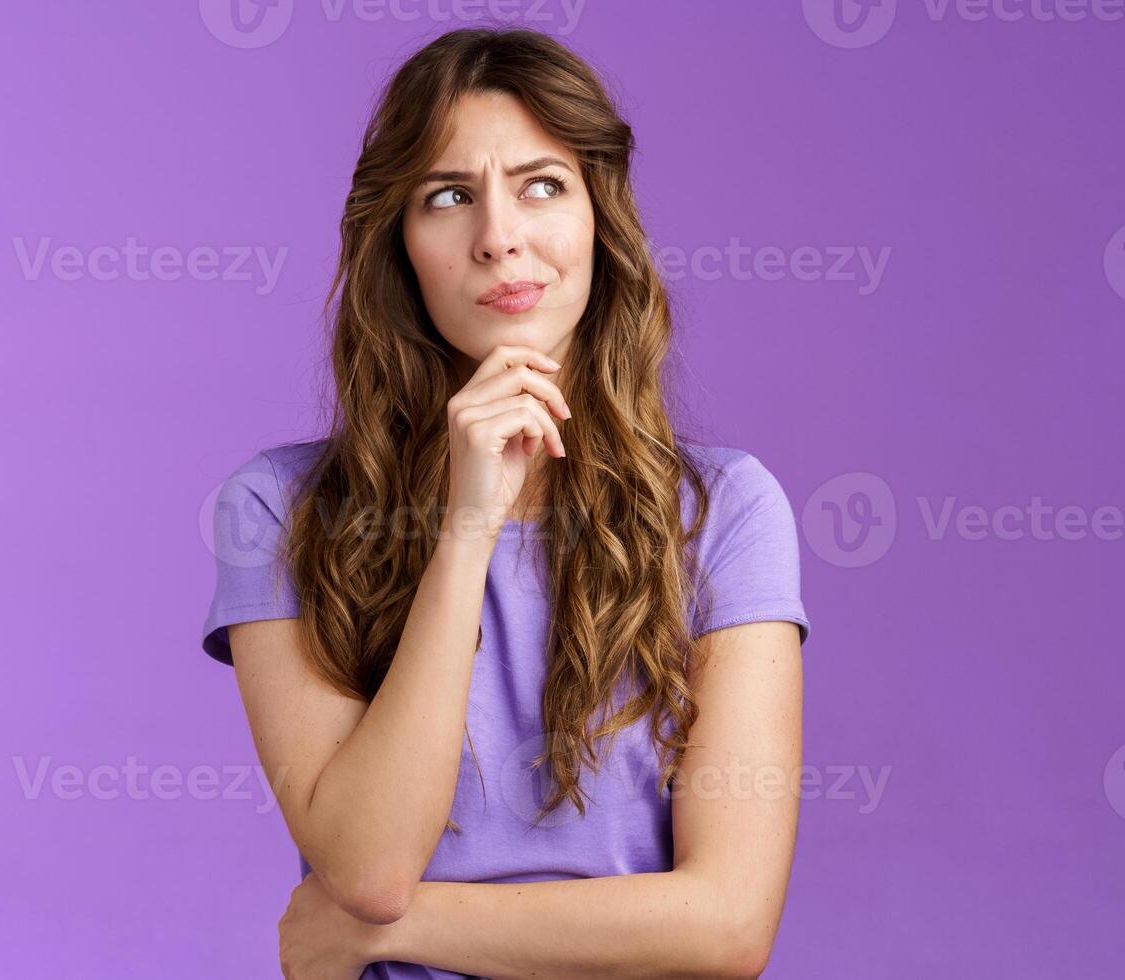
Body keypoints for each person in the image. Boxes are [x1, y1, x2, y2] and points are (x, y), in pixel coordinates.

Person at [200, 28, 811, 979]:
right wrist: (467, 525)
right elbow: (365, 864)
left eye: (542, 185)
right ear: (398, 246)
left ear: (599, 219)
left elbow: (726, 926)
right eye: (448, 196)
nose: (498, 235)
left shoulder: (726, 510)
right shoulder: (276, 509)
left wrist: (390, 931)